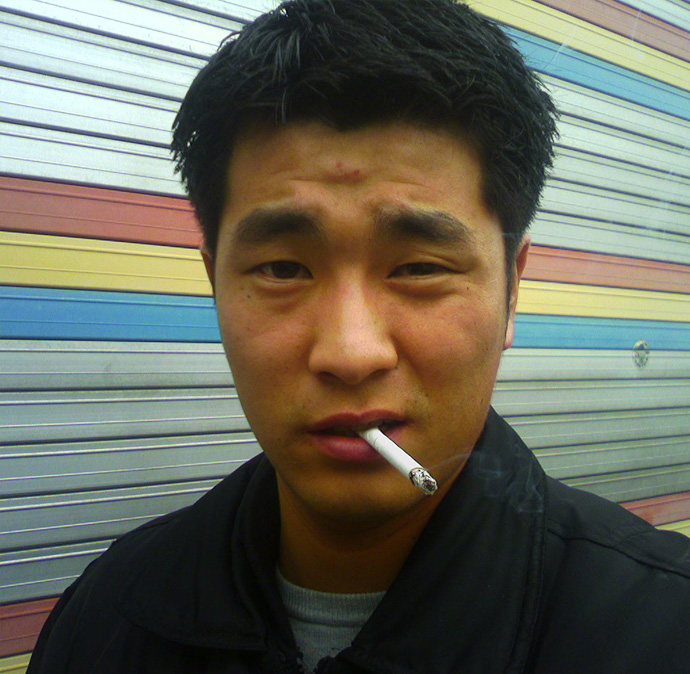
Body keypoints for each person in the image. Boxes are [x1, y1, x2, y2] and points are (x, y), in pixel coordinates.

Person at [28, 1, 690, 672]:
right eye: (283, 268)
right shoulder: (107, 619)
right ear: (216, 283)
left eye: (419, 268)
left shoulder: (663, 628)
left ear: (511, 291)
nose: (350, 353)